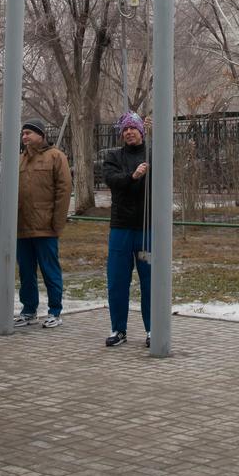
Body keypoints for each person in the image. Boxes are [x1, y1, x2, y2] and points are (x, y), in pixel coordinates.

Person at [13, 119, 73, 329]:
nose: (25, 137)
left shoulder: (56, 157)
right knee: (26, 271)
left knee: (49, 269)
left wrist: (57, 222)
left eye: (29, 133)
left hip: (45, 226)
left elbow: (64, 191)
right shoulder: (19, 159)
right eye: (23, 134)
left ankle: (55, 310)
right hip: (22, 226)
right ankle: (29, 310)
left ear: (41, 135)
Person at [102, 111, 151, 348]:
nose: (129, 132)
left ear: (141, 130)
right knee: (117, 282)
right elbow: (112, 180)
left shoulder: (153, 153)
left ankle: (154, 329)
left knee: (151, 282)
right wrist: (133, 177)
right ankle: (118, 329)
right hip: (121, 228)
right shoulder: (113, 157)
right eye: (125, 129)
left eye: (133, 128)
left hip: (148, 228)